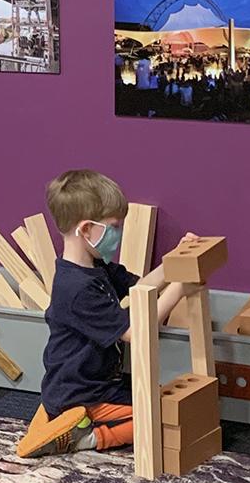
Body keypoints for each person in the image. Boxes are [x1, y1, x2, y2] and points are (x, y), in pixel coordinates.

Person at [20, 170, 203, 457]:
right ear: (86, 230)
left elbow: (139, 288)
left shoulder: (96, 266)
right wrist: (180, 288)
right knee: (159, 416)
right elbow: (135, 332)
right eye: (113, 227)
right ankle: (90, 437)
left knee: (159, 397)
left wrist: (174, 263)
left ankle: (68, 418)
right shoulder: (76, 288)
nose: (117, 235)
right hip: (83, 392)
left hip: (99, 383)